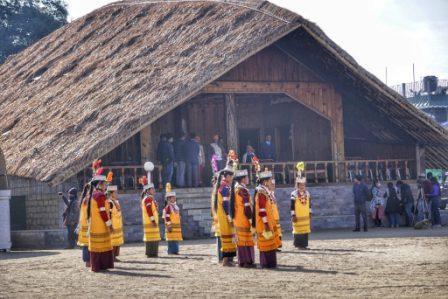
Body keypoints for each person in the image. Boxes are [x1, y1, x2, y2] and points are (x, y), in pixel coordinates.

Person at [88, 163, 114, 272]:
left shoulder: (94, 194)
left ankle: (100, 265)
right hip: (100, 224)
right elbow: (103, 211)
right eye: (104, 184)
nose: (106, 186)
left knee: (99, 246)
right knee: (100, 245)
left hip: (95, 223)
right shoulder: (100, 195)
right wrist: (109, 224)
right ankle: (99, 266)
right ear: (99, 184)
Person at [253, 169, 278, 268]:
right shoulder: (261, 192)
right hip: (264, 223)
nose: (271, 182)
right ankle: (267, 263)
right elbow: (262, 210)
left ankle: (270, 263)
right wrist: (266, 224)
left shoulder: (264, 191)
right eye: (270, 180)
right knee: (266, 244)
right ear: (265, 181)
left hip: (267, 221)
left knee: (269, 242)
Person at [231, 169, 255, 268]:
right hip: (244, 217)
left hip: (237, 217)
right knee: (246, 239)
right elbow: (247, 206)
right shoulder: (243, 190)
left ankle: (243, 260)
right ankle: (247, 260)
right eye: (247, 177)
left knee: (241, 240)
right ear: (243, 179)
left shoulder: (235, 188)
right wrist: (250, 219)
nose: (248, 179)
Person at [215, 164, 237, 266]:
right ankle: (225, 261)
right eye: (232, 176)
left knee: (229, 235)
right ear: (227, 176)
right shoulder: (224, 186)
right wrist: (229, 214)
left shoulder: (225, 185)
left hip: (225, 214)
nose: (233, 178)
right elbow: (225, 203)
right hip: (225, 215)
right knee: (227, 236)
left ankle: (228, 260)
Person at [140, 175, 161, 258]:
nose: (154, 190)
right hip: (150, 222)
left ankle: (152, 252)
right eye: (152, 189)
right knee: (151, 239)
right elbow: (149, 211)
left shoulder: (150, 198)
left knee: (153, 238)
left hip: (151, 221)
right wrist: (153, 220)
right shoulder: (148, 199)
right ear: (148, 190)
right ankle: (151, 253)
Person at [291, 176, 312, 249]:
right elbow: (292, 206)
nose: (302, 186)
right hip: (298, 216)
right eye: (300, 185)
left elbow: (309, 204)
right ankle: (298, 245)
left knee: (305, 230)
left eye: (303, 185)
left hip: (305, 216)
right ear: (297, 185)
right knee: (298, 231)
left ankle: (304, 245)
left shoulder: (307, 193)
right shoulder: (294, 194)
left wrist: (310, 213)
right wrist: (293, 215)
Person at [163, 183, 183, 254]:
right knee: (171, 240)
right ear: (169, 199)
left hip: (176, 227)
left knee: (175, 239)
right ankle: (171, 251)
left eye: (174, 197)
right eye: (173, 197)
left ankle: (175, 250)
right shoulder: (168, 207)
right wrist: (169, 224)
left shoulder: (175, 206)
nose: (174, 198)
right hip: (171, 226)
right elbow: (167, 216)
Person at [107, 185, 124, 261]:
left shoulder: (116, 202)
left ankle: (115, 256)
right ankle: (112, 256)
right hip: (113, 224)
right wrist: (110, 225)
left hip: (117, 224)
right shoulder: (109, 202)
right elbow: (109, 214)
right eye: (115, 192)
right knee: (113, 241)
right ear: (111, 193)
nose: (117, 194)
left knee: (117, 242)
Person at [76, 183, 91, 267]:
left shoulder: (84, 199)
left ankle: (88, 261)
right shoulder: (88, 199)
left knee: (86, 244)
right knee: (87, 244)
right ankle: (88, 261)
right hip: (87, 224)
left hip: (84, 224)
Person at [210, 173, 222, 263]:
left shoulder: (216, 190)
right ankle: (221, 256)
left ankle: (221, 256)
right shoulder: (218, 190)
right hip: (219, 216)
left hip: (217, 216)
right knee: (220, 237)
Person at [269, 178, 282, 250]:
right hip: (271, 217)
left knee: (277, 231)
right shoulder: (268, 195)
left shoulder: (272, 194)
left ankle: (277, 245)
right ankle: (273, 245)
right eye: (272, 185)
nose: (273, 187)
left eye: (274, 185)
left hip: (275, 216)